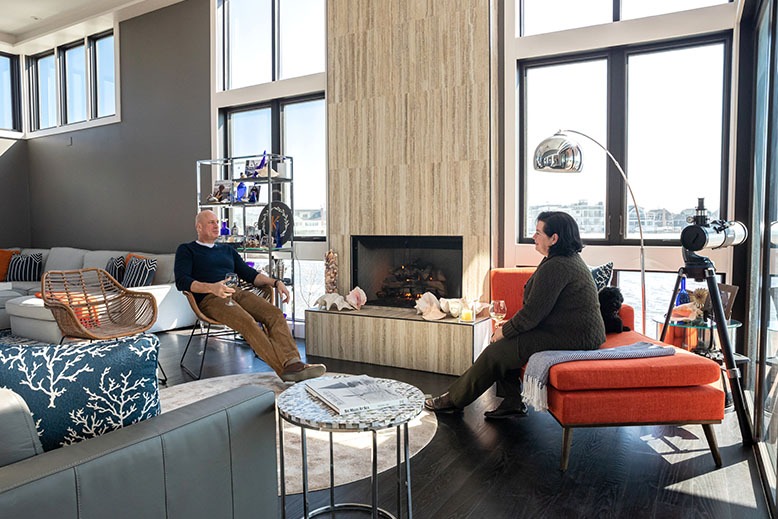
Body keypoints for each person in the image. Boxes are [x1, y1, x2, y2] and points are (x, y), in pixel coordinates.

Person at [425, 211, 606, 419]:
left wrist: (503, 331)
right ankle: (511, 403)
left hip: (574, 337)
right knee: (504, 344)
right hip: (571, 330)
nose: (533, 237)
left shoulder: (557, 266)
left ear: (554, 238)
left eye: (538, 233)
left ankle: (453, 400)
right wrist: (506, 331)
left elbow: (531, 315)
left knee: (495, 352)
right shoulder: (563, 259)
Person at [175, 210, 326, 382]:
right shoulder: (187, 250)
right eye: (211, 222)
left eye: (217, 221)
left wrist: (276, 282)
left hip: (237, 293)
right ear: (199, 227)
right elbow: (182, 281)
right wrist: (212, 288)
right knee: (247, 321)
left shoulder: (227, 250)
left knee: (274, 314)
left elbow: (250, 274)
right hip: (211, 299)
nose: (216, 225)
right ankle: (285, 370)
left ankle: (294, 363)